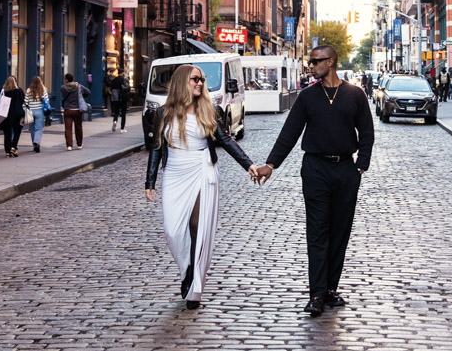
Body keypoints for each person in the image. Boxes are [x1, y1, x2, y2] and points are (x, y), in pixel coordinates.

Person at [256, 43, 374, 317]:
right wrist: (271, 164)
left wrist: (360, 168)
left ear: (331, 62)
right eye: (310, 62)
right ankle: (317, 293)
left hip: (345, 170)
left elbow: (366, 133)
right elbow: (290, 133)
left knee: (340, 232)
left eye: (316, 61)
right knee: (318, 231)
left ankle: (331, 289)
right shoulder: (308, 96)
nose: (311, 66)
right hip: (315, 170)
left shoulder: (355, 95)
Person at [145, 64, 259, 310]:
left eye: (202, 79)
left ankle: (194, 285)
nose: (199, 83)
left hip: (202, 168)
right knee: (173, 231)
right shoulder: (163, 112)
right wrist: (150, 182)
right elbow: (156, 148)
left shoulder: (208, 109)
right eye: (194, 79)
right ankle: (187, 269)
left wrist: (248, 164)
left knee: (198, 226)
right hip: (175, 171)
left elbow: (226, 140)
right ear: (182, 82)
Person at [60, 72, 91, 150]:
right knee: (78, 127)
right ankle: (79, 144)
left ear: (66, 80)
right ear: (73, 79)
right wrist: (81, 97)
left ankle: (69, 145)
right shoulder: (79, 86)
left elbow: (63, 96)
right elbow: (88, 92)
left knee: (68, 128)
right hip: (77, 110)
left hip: (67, 110)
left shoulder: (63, 88)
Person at [0, 76, 25, 158]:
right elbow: (22, 101)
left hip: (5, 114)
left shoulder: (3, 91)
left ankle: (7, 152)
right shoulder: (18, 91)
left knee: (7, 134)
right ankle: (13, 146)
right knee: (17, 130)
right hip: (16, 114)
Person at [24, 75, 51, 153]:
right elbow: (47, 101)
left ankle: (34, 144)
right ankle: (37, 143)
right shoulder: (43, 90)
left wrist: (25, 110)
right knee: (39, 129)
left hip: (31, 111)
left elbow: (25, 102)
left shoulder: (29, 90)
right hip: (40, 111)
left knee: (32, 129)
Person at [110, 67, 131, 132]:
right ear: (122, 73)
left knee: (116, 112)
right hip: (123, 98)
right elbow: (127, 88)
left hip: (116, 99)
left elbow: (111, 89)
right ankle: (122, 128)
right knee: (123, 113)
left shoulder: (114, 80)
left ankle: (115, 121)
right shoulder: (123, 80)